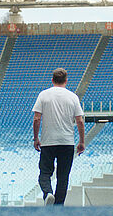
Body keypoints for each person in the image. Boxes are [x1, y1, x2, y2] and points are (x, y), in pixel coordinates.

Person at [32, 68, 85, 206]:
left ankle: (48, 193)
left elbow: (37, 119)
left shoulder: (43, 95)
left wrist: (36, 138)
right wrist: (82, 141)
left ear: (52, 80)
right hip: (67, 142)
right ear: (66, 81)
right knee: (63, 177)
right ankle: (58, 205)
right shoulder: (73, 97)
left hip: (48, 141)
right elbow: (79, 120)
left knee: (44, 173)